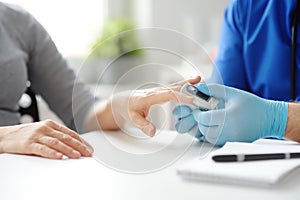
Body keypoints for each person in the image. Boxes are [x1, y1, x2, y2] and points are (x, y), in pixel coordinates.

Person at [0, 2, 200, 159]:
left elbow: (83, 113)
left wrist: (122, 104)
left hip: (20, 170)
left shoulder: (18, 23)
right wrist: (4, 137)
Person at [173, 0, 300, 146]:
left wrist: (278, 120)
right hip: (258, 160)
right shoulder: (244, 7)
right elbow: (224, 95)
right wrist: (210, 118)